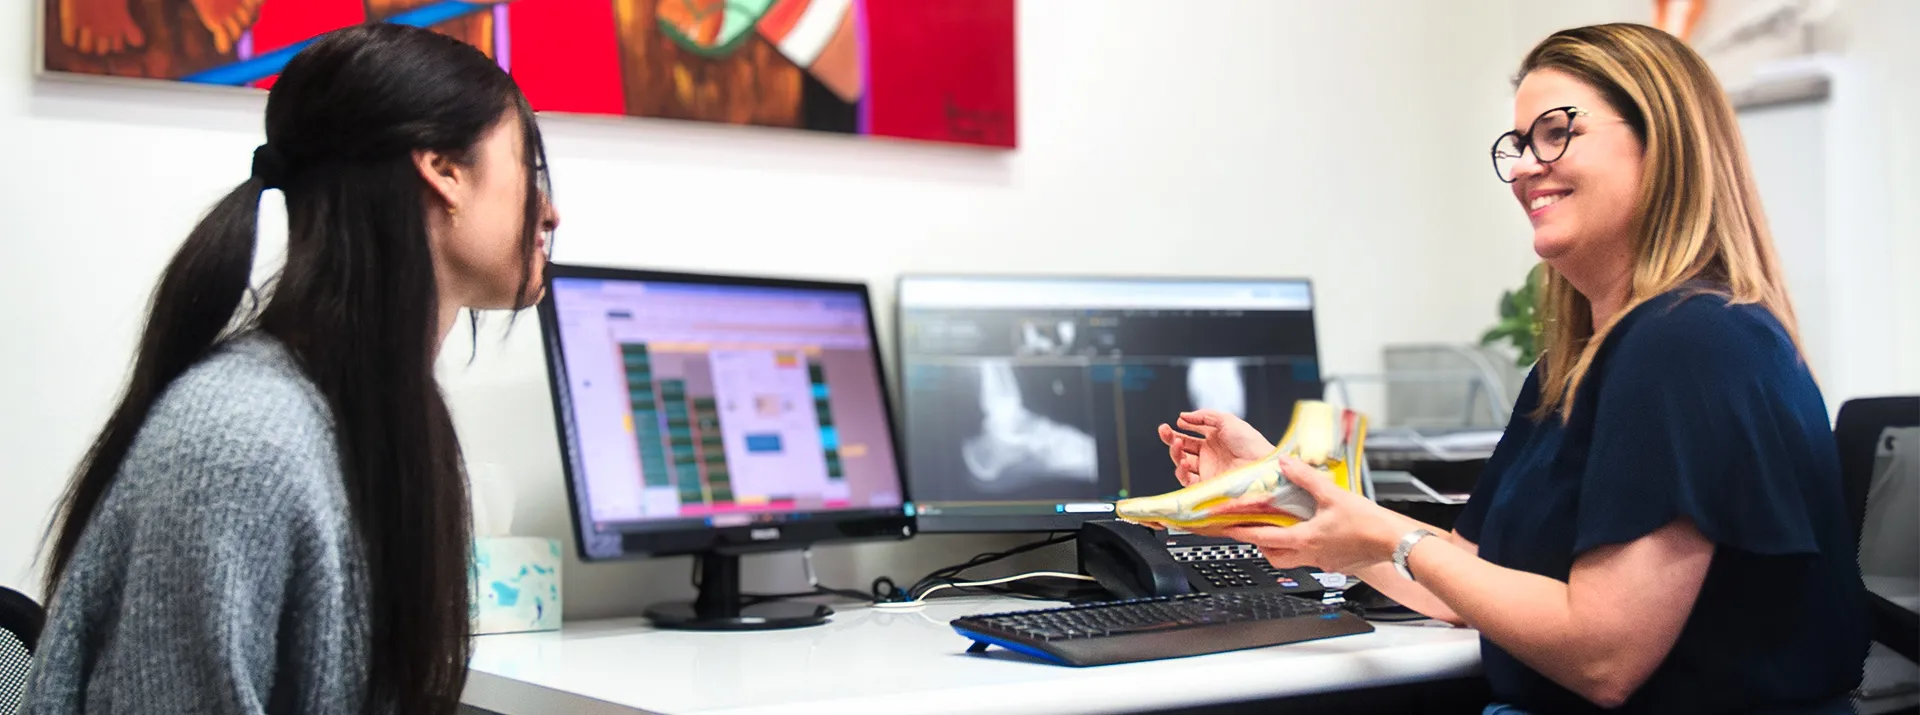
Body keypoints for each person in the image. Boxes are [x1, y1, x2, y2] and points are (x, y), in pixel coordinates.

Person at [1158, 23, 1866, 714]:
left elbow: (1604, 657)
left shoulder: (1692, 345)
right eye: (1520, 144)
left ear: (1662, 141)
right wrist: (1285, 494)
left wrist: (1391, 537)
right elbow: (1459, 584)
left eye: (1558, 132)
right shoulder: (1577, 365)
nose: (1526, 166)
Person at [26, 22, 560, 715]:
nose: (550, 211)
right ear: (443, 171)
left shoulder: (386, 415)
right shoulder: (244, 438)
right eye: (530, 169)